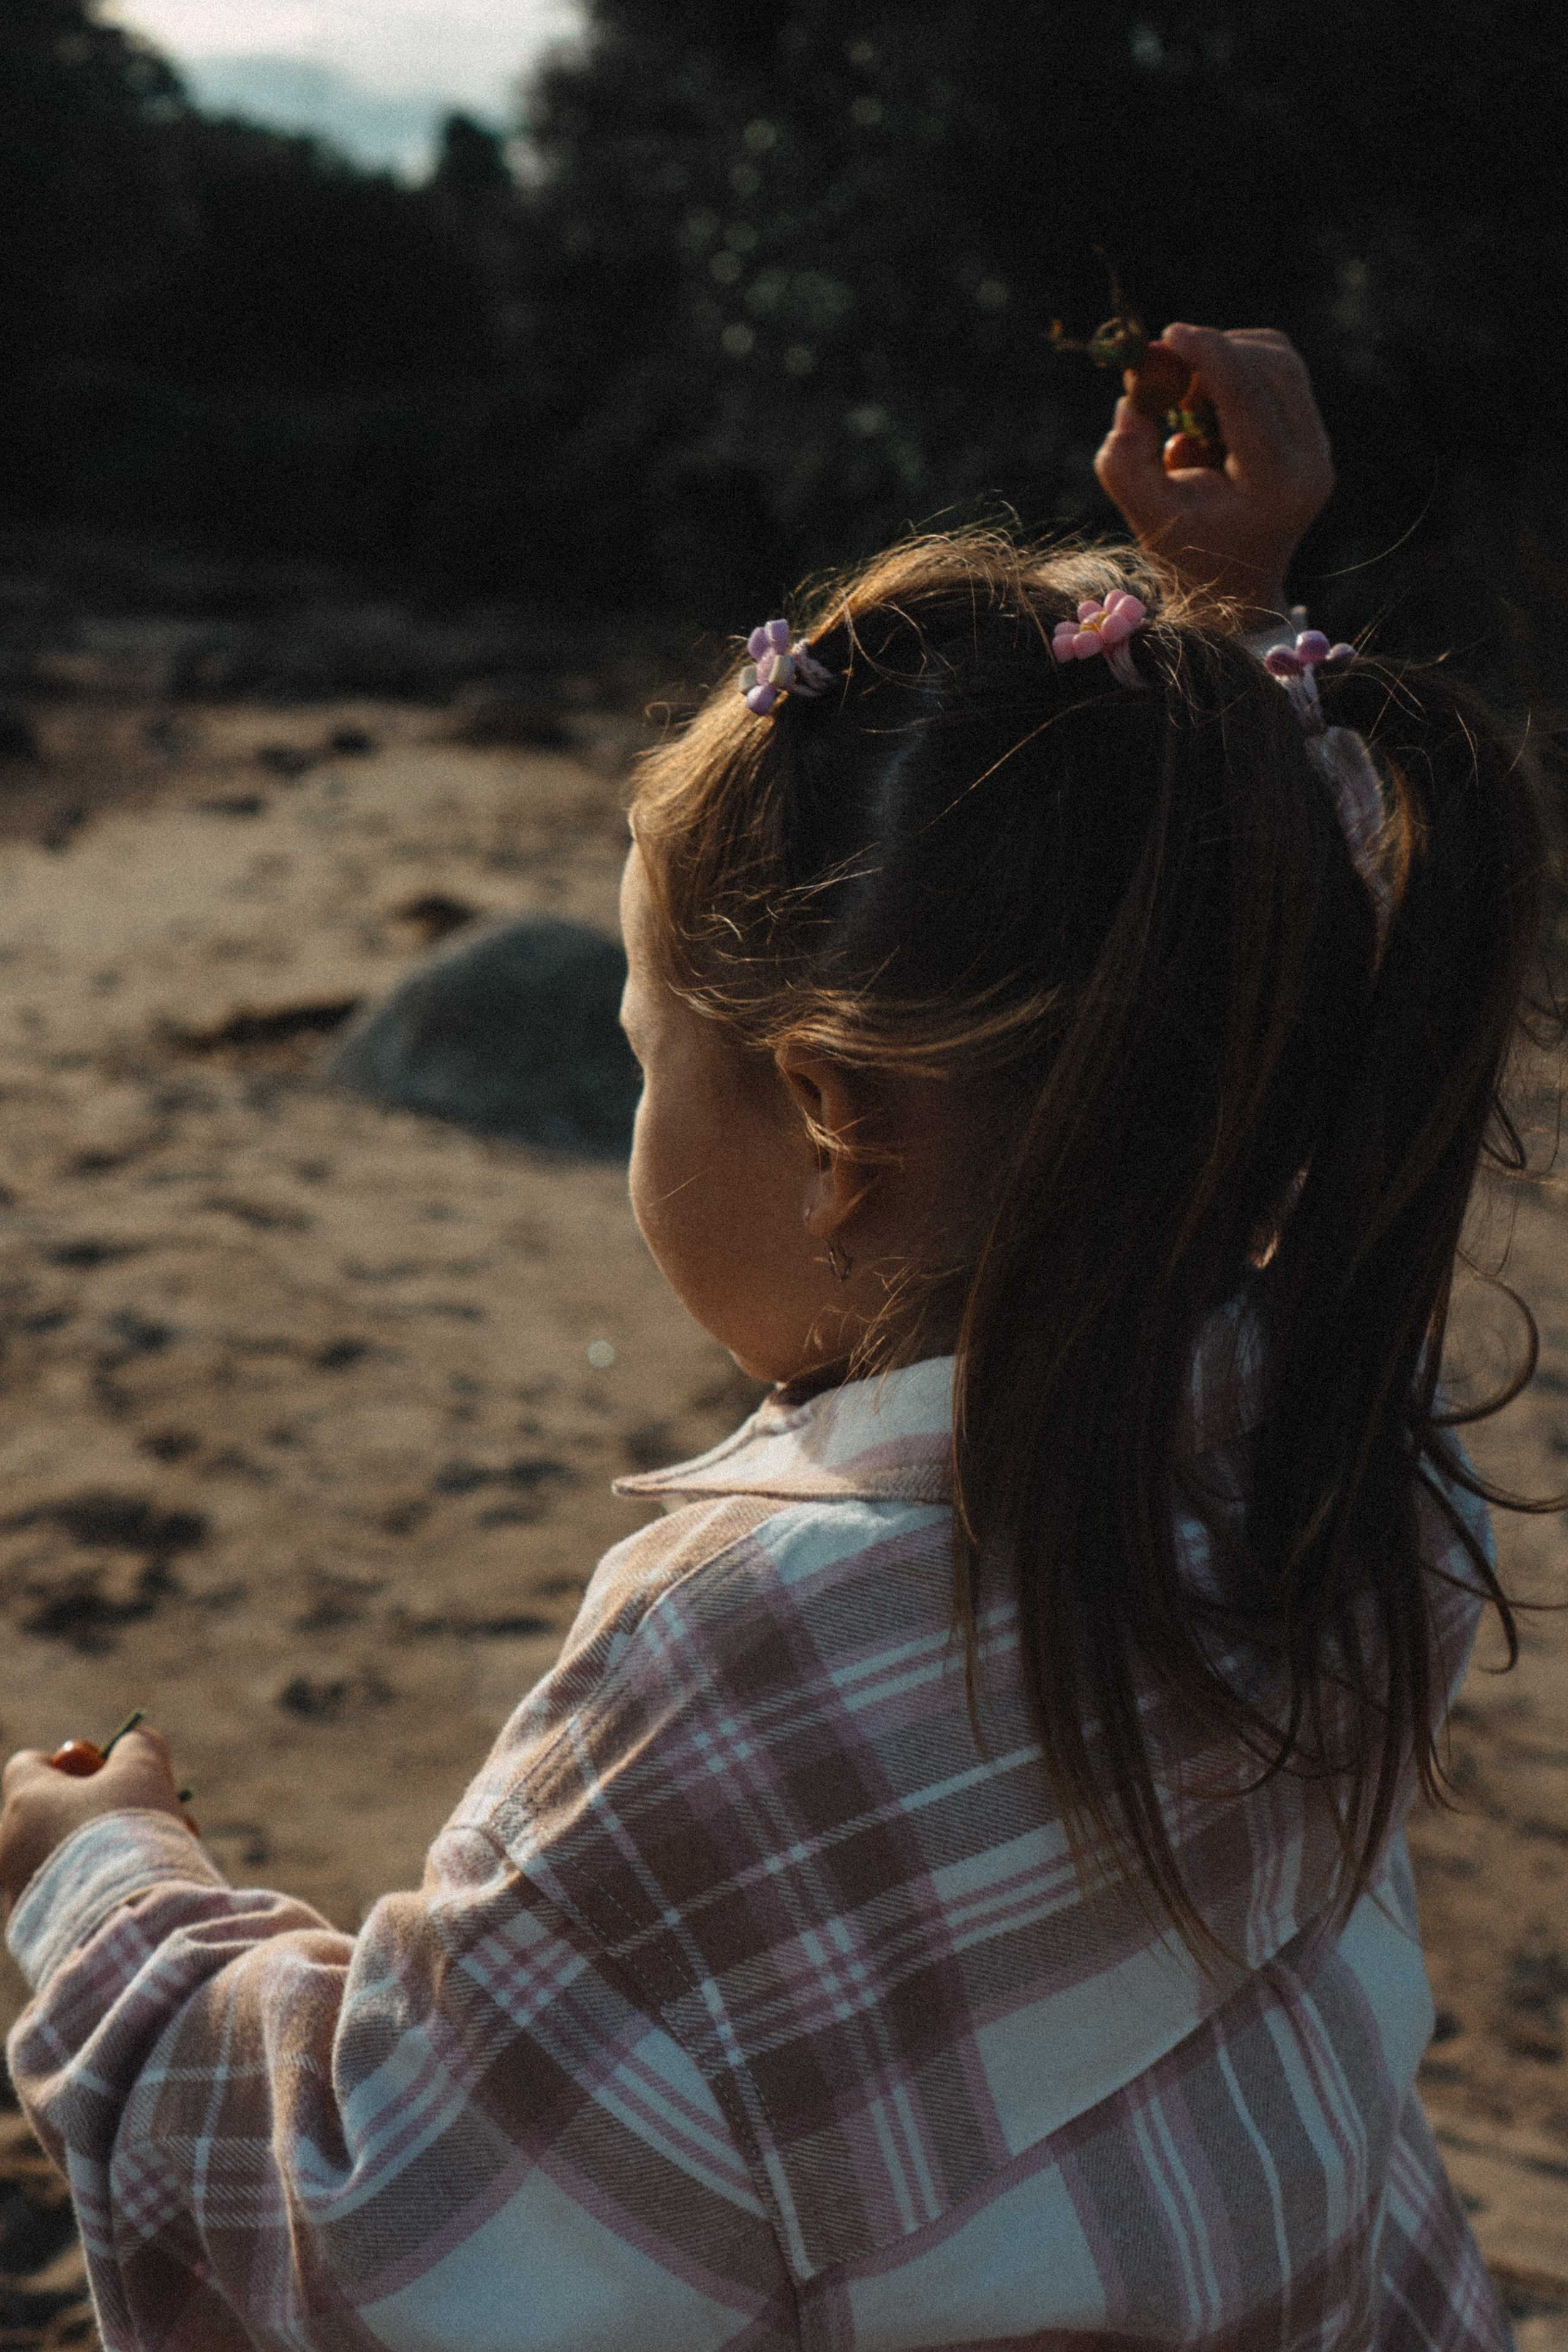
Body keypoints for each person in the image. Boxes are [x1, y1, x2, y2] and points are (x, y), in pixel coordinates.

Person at [0, 325, 1553, 2351]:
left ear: (830, 1130)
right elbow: (1213, 954)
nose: (642, 1112)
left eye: (649, 1055)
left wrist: (105, 1898)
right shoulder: (1336, 1443)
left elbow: (383, 2229)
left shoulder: (748, 1668)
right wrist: (1222, 622)